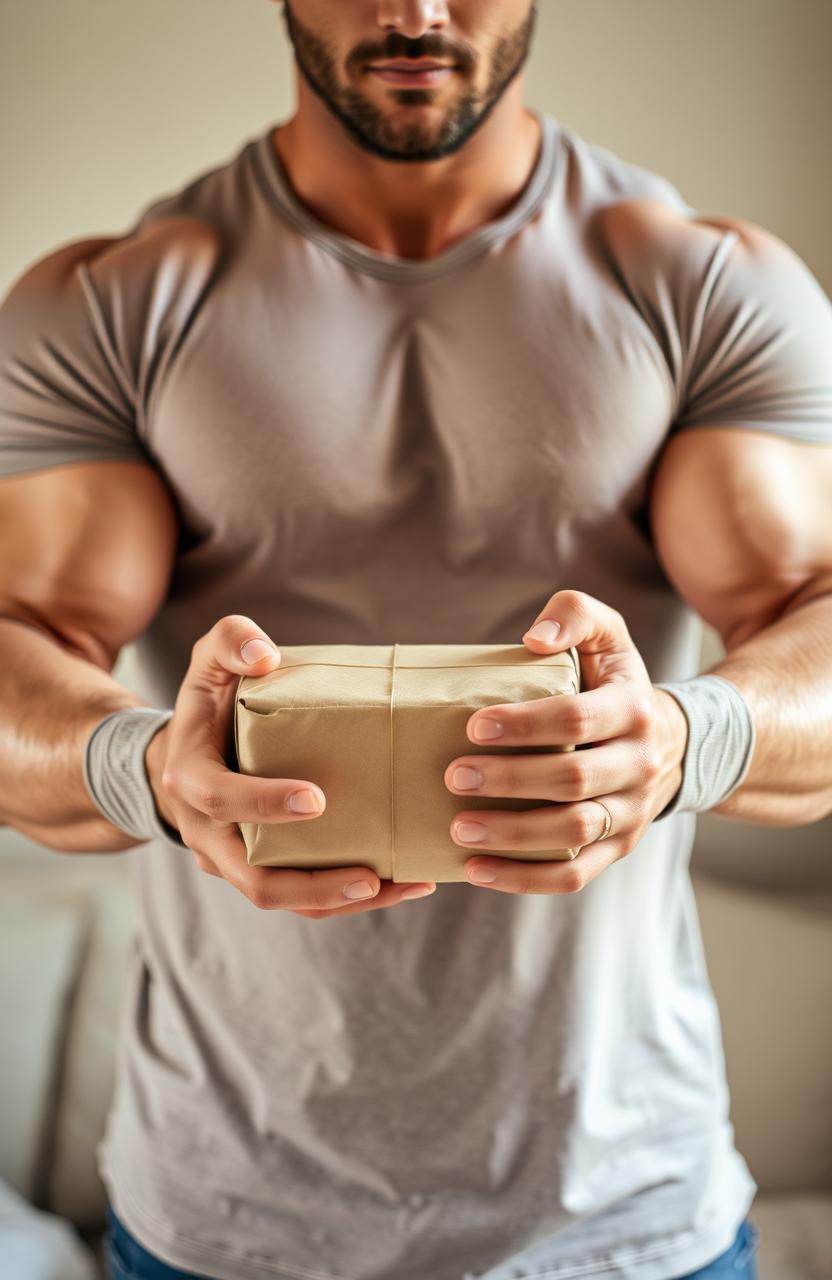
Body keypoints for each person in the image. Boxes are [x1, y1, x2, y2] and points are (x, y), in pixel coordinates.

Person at [0, 1, 830, 1277]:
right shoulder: (117, 301)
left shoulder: (697, 282)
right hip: (223, 1220)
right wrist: (145, 769)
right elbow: (22, 644)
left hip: (622, 1215)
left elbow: (811, 622)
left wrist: (683, 738)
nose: (415, 11)